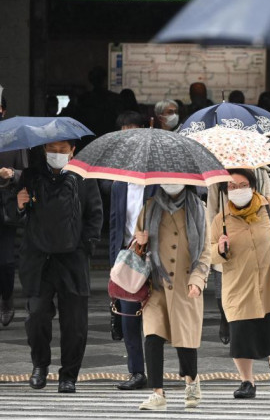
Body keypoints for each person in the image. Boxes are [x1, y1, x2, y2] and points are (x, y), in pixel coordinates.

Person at [17, 140, 103, 393]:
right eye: (52, 149)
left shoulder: (84, 177)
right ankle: (40, 366)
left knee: (75, 322)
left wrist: (86, 246)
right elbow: (14, 214)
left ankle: (69, 375)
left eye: (62, 149)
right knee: (36, 316)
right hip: (39, 258)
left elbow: (95, 215)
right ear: (44, 150)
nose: (57, 154)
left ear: (73, 150)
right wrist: (20, 204)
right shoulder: (31, 176)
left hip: (72, 259)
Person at [211, 169, 270, 399]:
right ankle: (247, 382)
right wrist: (219, 249)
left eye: (242, 185)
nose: (237, 190)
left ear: (252, 185)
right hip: (238, 285)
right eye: (231, 187)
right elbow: (208, 254)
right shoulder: (220, 220)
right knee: (240, 335)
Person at [134, 184, 211, 410]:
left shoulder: (198, 208)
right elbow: (136, 245)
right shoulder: (150, 207)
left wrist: (198, 280)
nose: (170, 182)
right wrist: (140, 242)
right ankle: (157, 393)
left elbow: (205, 250)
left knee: (185, 341)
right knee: (153, 336)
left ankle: (192, 381)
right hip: (156, 282)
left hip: (185, 283)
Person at [206, 168, 270, 346]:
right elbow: (211, 209)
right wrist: (214, 237)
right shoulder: (217, 176)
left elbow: (269, 203)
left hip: (253, 236)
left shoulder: (259, 172)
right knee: (223, 289)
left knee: (256, 288)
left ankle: (253, 328)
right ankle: (225, 318)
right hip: (227, 239)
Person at [108, 176, 158, 391]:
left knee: (156, 319)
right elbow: (114, 225)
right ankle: (136, 371)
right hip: (129, 257)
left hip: (156, 257)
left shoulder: (159, 184)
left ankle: (156, 370)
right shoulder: (118, 185)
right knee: (129, 318)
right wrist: (114, 263)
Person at [0, 95, 28, 326]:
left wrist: (11, 174)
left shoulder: (14, 138)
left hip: (6, 207)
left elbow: (25, 173)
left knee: (7, 261)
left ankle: (7, 298)